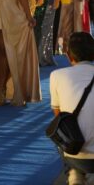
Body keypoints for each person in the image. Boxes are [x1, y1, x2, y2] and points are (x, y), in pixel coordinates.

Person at [49, 32, 94, 184]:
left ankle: (74, 174)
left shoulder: (57, 75)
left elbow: (60, 118)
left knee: (62, 131)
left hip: (74, 154)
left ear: (68, 55)